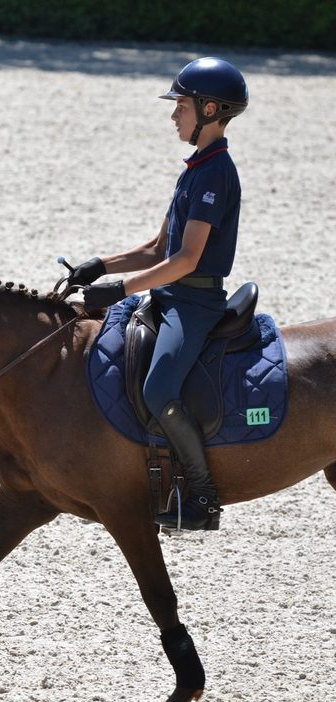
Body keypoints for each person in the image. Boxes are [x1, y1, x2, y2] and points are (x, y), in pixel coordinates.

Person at [68, 57, 249, 531]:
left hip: (194, 303)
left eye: (182, 107)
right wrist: (101, 265)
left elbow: (186, 259)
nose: (174, 116)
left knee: (159, 388)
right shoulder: (195, 168)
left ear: (210, 109)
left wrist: (118, 289)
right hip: (170, 295)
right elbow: (155, 248)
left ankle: (203, 496)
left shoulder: (215, 174)